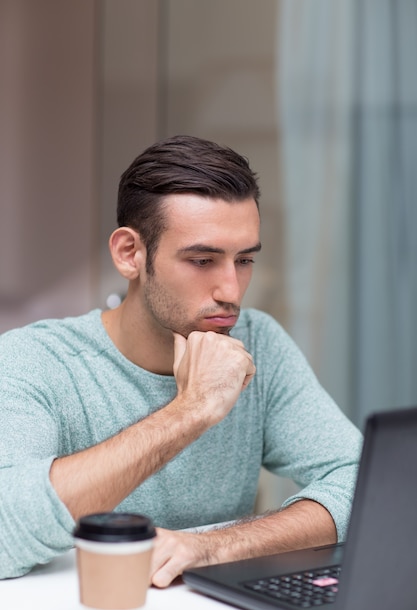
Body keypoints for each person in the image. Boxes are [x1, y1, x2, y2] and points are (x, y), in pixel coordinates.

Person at [0, 135, 362, 583]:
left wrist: (209, 548)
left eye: (244, 259)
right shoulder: (36, 360)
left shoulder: (259, 341)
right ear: (130, 253)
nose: (231, 291)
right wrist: (192, 410)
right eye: (203, 260)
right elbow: (5, 534)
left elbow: (362, 484)